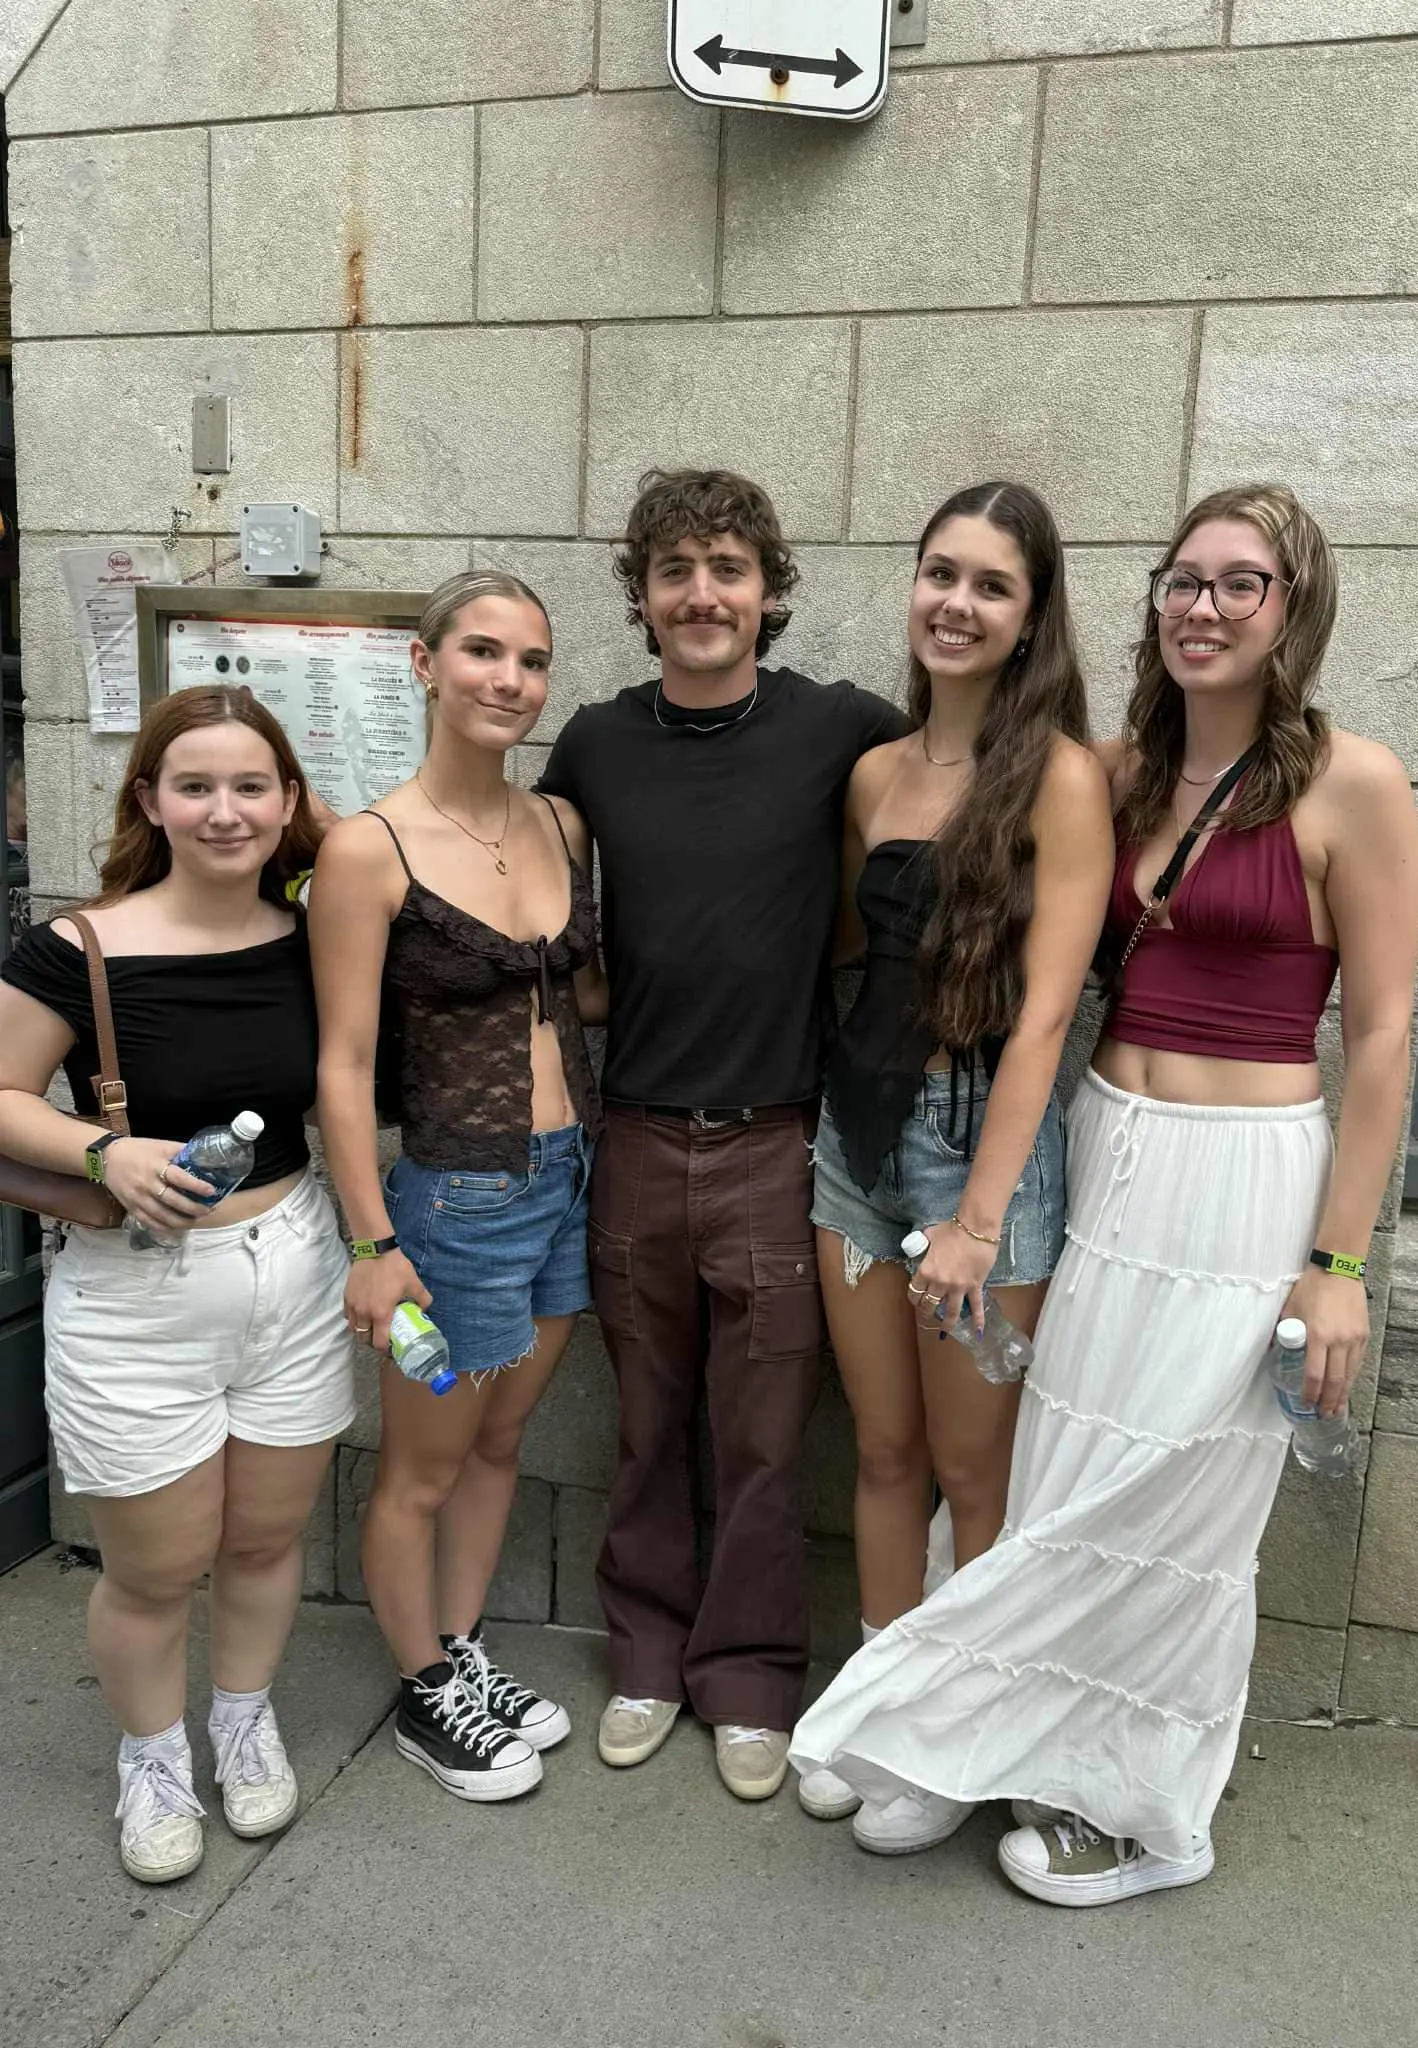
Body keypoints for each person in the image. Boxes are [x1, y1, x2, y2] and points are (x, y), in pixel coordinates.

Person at [790, 482, 1418, 1900]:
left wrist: (1342, 1266)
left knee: (1190, 1492)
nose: (1202, 608)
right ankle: (996, 1740)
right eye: (1182, 581)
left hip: (1251, 1176)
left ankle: (1152, 1813)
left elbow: (1382, 1033)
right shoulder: (1121, 771)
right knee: (1076, 1476)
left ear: (1294, 605)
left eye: (1238, 584)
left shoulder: (1354, 782)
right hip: (1114, 1146)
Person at [537, 468, 907, 1801]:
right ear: (641, 596)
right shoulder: (590, 742)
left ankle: (749, 1677)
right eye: (677, 569)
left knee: (762, 1432)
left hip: (773, 1140)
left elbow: (903, 860)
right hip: (632, 1134)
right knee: (647, 1420)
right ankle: (644, 1656)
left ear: (770, 591)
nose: (703, 594)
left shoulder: (841, 729)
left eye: (729, 568)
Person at [796, 482, 1112, 1847]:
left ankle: (957, 1734)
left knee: (976, 1478)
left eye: (991, 584)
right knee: (879, 1449)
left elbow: (1047, 1011)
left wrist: (980, 1217)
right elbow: (859, 962)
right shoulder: (877, 770)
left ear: (1033, 615)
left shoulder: (1062, 777)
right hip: (850, 1146)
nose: (956, 603)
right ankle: (880, 1700)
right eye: (940, 574)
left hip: (982, 1157)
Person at [0, 686, 355, 1884]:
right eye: (193, 785)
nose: (224, 810)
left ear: (289, 800)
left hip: (293, 1265)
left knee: (262, 1539)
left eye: (251, 785)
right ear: (148, 797)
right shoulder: (77, 946)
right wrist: (105, 1149)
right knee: (155, 1566)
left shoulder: (315, 932)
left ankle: (241, 1722)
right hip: (137, 1292)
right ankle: (151, 1759)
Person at [310, 569, 604, 1804]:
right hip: (446, 1205)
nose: (509, 680)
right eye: (482, 652)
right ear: (425, 664)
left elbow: (585, 1000)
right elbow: (342, 1060)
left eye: (531, 661)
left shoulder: (561, 825)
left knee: (498, 1439)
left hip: (566, 1183)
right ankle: (426, 1691)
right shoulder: (366, 848)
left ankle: (462, 1647)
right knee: (423, 1462)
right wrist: (374, 1243)